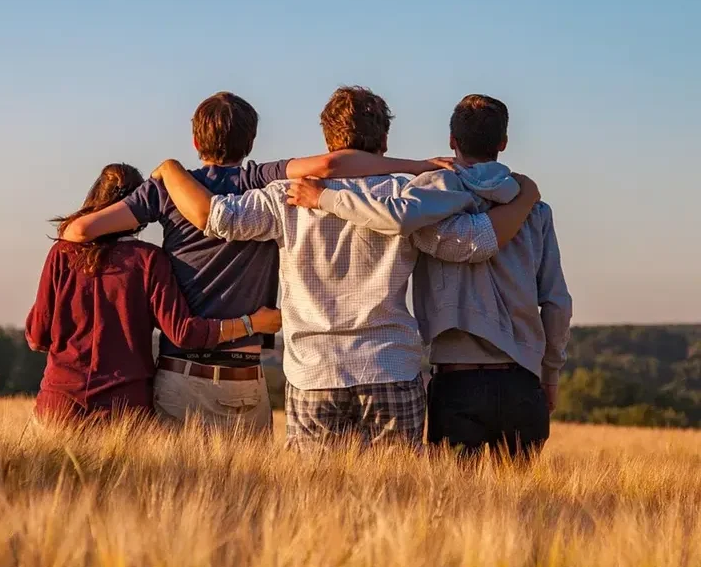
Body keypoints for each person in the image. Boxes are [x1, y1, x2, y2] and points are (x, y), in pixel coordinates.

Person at [149, 86, 540, 450]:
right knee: (396, 503)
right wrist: (524, 200)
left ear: (327, 139)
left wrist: (170, 169)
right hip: (390, 367)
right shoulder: (408, 197)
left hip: (313, 372)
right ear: (384, 141)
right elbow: (473, 243)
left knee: (314, 505)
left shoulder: (284, 195)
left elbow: (216, 217)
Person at [59, 91, 460, 431]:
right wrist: (417, 166)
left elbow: (79, 233)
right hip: (249, 376)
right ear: (250, 141)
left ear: (196, 141)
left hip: (183, 372)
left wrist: (153, 215)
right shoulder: (261, 180)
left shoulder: (167, 190)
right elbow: (330, 165)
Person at [287, 94, 572, 459]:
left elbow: (394, 217)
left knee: (452, 506)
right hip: (523, 381)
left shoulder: (428, 198)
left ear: (452, 141)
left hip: (456, 382)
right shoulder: (534, 209)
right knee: (522, 510)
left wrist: (325, 198)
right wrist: (550, 374)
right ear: (503, 143)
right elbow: (556, 302)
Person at [25, 163, 282, 422]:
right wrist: (252, 323)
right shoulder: (148, 260)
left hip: (59, 405)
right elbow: (184, 333)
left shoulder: (62, 253)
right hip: (124, 409)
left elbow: (37, 337)